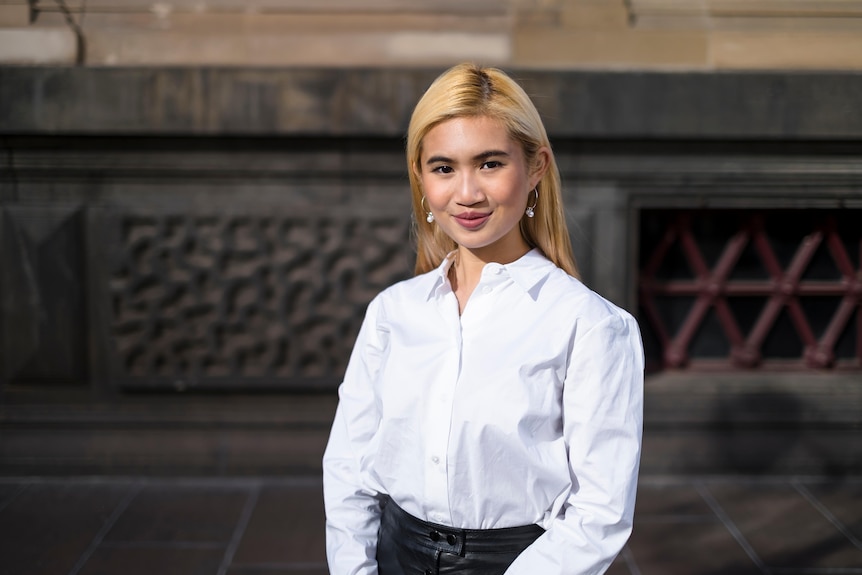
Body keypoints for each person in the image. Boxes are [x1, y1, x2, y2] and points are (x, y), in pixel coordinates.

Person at [323, 62, 644, 575]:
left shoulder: (588, 324)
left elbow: (600, 512)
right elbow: (349, 466)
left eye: (490, 164)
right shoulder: (394, 312)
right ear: (420, 176)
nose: (466, 193)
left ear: (536, 167)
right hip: (391, 555)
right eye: (444, 167)